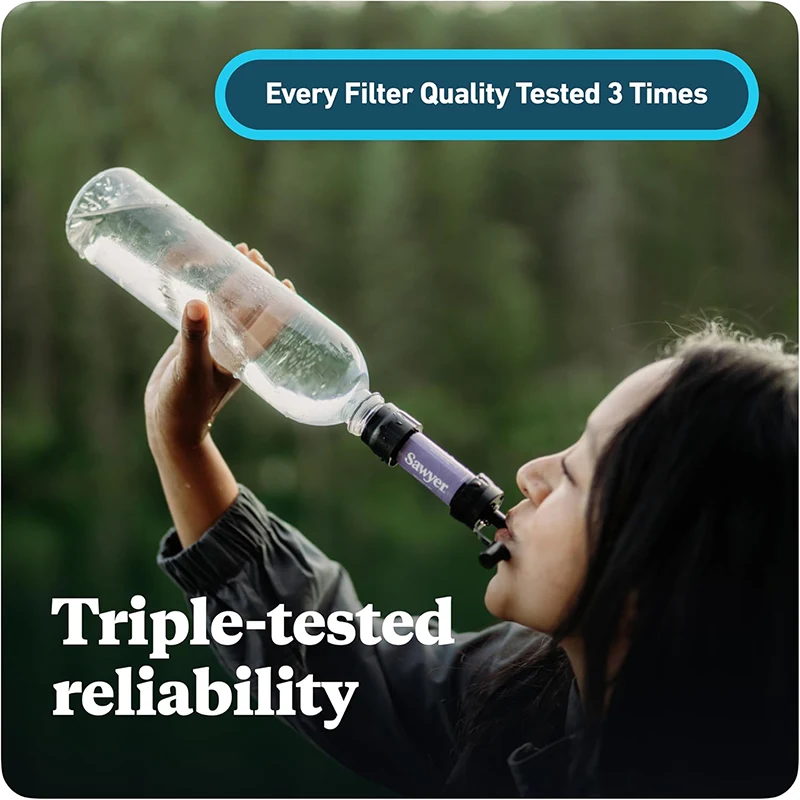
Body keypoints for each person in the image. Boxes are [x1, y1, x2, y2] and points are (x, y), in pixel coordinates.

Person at [150, 245, 798, 798]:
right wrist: (180, 437)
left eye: (574, 474)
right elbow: (337, 665)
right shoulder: (529, 699)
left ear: (672, 559)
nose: (530, 474)